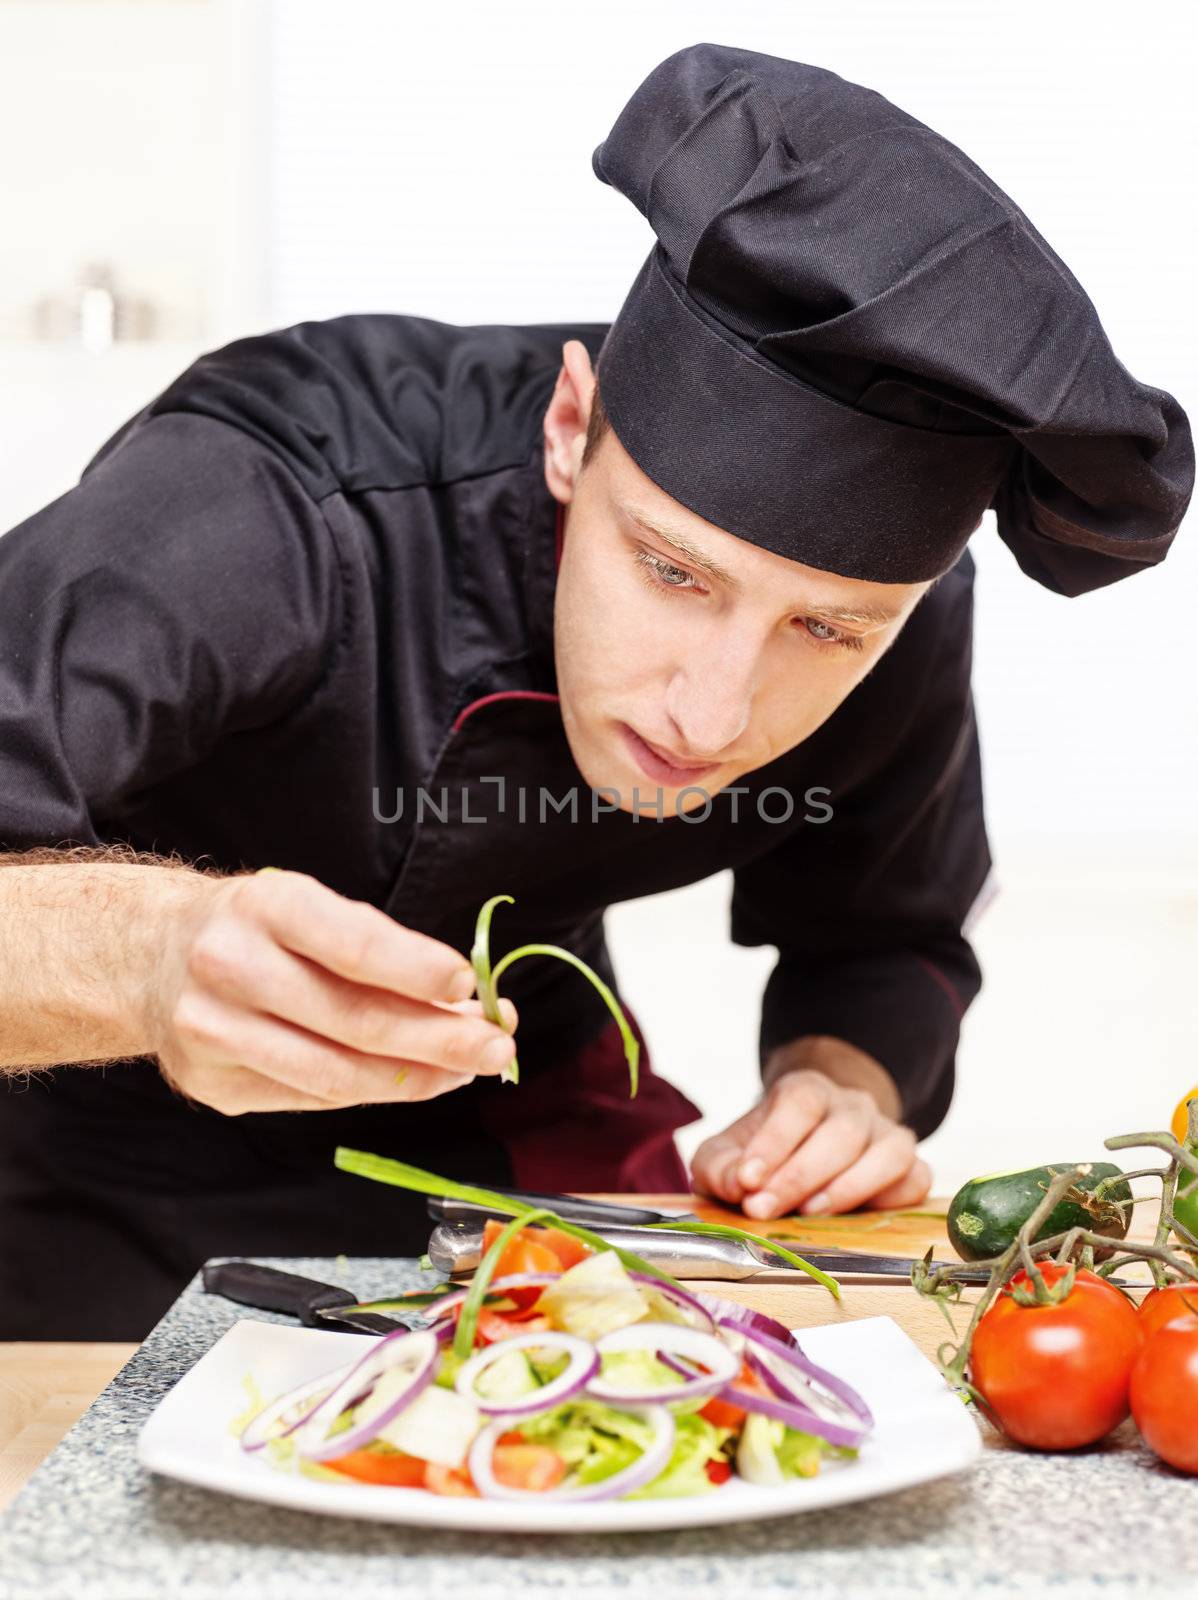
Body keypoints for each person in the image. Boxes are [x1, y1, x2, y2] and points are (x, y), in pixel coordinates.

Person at [0, 44, 1190, 1339]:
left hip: (502, 1116)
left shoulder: (901, 626)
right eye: (673, 574)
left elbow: (879, 936)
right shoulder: (266, 512)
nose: (709, 718)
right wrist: (148, 953)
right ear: (570, 430)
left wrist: (838, 1090)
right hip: (71, 1127)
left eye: (824, 630)